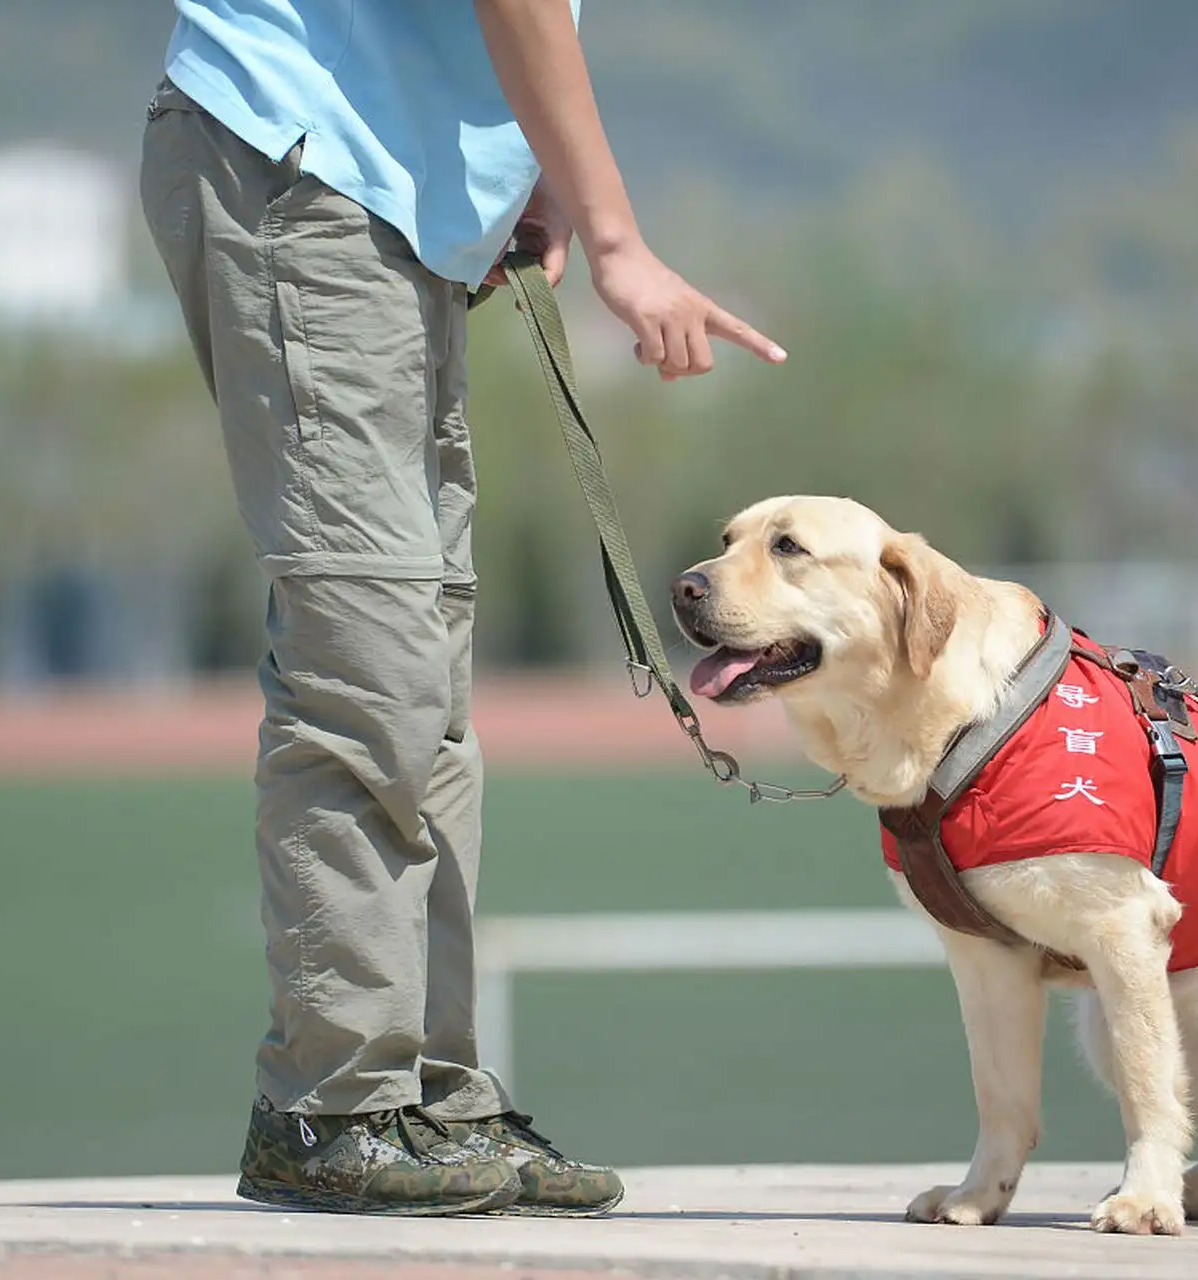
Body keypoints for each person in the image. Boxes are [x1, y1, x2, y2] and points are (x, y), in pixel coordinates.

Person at [139, 0, 786, 1219]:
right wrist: (613, 236)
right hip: (299, 162)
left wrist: (518, 177)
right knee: (366, 654)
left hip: (385, 199)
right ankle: (328, 1108)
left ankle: (428, 1099)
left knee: (421, 677)